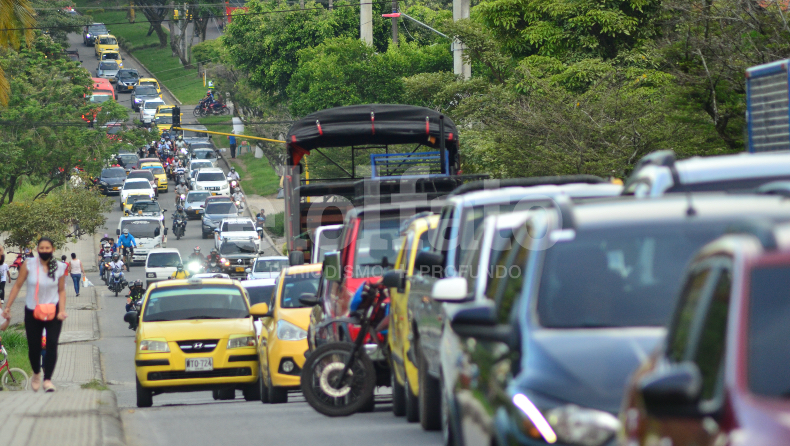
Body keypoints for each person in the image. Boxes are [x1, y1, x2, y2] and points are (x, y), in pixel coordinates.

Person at [2, 237, 68, 392]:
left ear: (53, 249)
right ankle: (37, 374)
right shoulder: (29, 264)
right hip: (32, 310)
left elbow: (62, 290)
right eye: (42, 248)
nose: (45, 251)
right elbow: (17, 285)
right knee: (34, 346)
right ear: (37, 249)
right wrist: (8, 306)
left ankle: (48, 379)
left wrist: (62, 310)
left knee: (51, 344)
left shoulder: (59, 267)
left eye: (48, 248)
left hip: (53, 311)